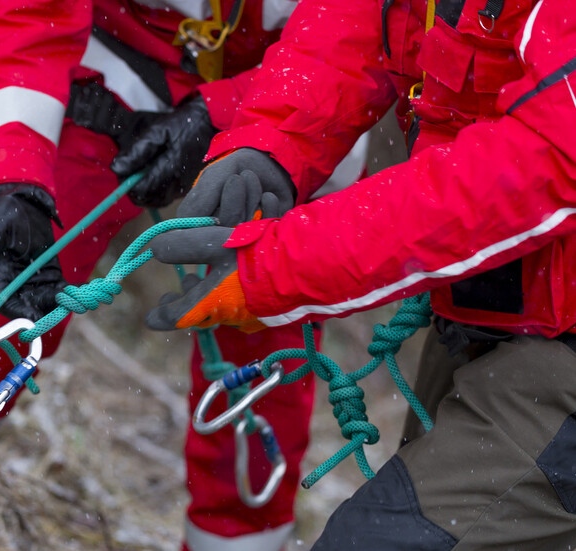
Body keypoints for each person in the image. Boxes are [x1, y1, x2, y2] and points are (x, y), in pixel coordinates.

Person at [0, 2, 371, 550]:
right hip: (114, 56)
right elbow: (17, 15)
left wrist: (229, 111)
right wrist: (15, 177)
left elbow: (362, 34)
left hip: (304, 93)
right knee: (0, 304)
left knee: (263, 344)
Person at [142, 0, 576, 548]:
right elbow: (359, 21)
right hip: (503, 304)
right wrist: (271, 145)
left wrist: (278, 269)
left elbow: (537, 165)